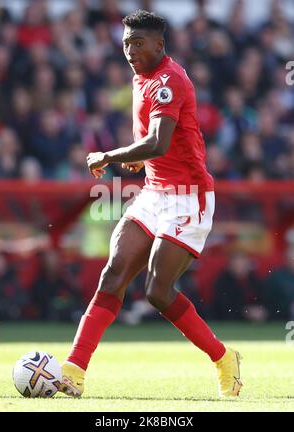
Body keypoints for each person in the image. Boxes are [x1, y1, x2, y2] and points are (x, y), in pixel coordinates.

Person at [59, 10, 242, 399]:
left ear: (160, 44)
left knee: (158, 291)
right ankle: (73, 370)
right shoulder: (141, 76)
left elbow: (159, 142)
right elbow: (160, 146)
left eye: (138, 43)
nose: (130, 50)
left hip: (187, 198)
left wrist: (108, 155)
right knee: (113, 274)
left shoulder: (169, 81)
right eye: (126, 43)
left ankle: (224, 358)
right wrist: (141, 158)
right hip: (154, 192)